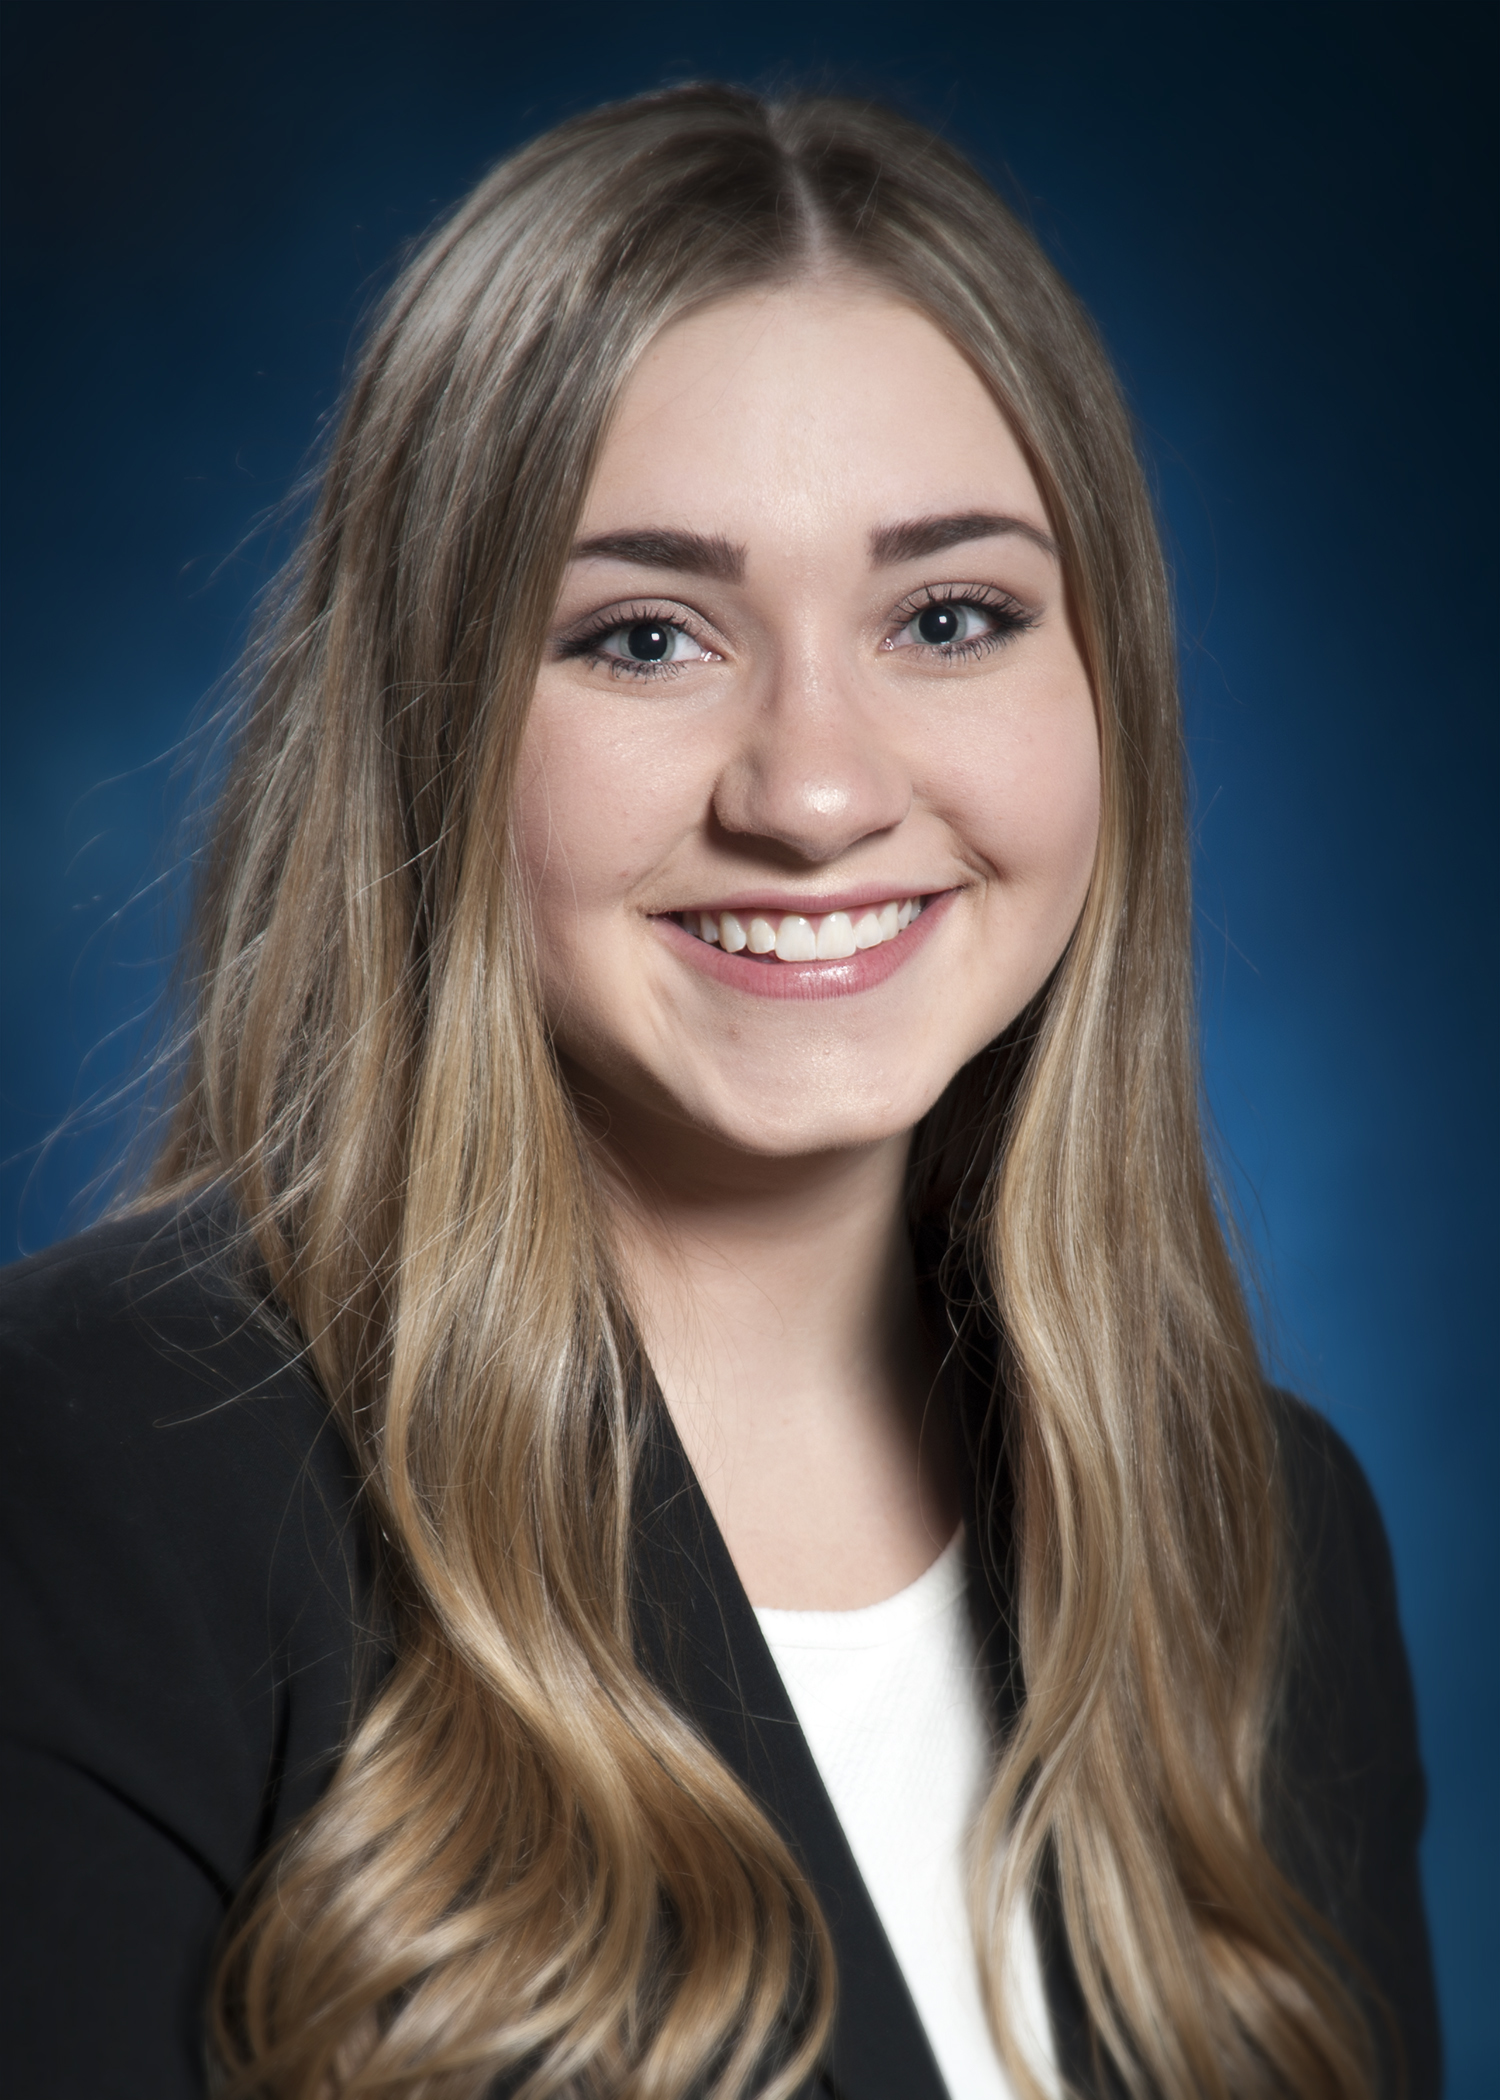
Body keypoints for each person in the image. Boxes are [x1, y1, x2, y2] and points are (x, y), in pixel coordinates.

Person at [0, 84, 1438, 2100]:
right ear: (429, 717)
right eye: (648, 637)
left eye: (951, 618)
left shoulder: (1269, 1542)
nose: (817, 791)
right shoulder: (95, 1476)